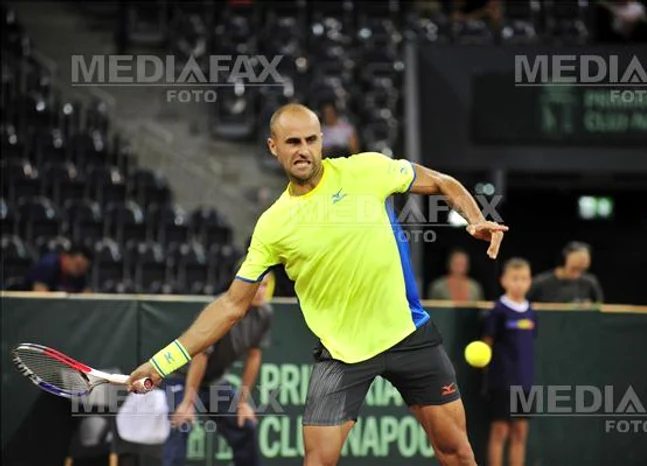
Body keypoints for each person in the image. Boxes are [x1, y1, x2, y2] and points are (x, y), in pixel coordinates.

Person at [128, 103, 508, 466]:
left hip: (410, 335)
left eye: (311, 139)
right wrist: (163, 363)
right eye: (293, 142)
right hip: (341, 356)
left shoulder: (367, 170)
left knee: (457, 453)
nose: (304, 150)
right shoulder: (273, 225)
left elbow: (442, 183)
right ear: (273, 147)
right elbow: (231, 305)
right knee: (318, 460)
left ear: (322, 140)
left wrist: (474, 217)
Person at [164, 272, 273, 466]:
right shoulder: (220, 309)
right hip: (182, 378)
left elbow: (254, 357)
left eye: (265, 285)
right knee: (182, 424)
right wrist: (188, 402)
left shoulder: (264, 314)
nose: (261, 291)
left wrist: (242, 402)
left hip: (215, 382)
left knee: (245, 425)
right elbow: (200, 356)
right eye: (257, 285)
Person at [483, 258, 536, 466]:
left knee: (520, 433)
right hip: (502, 383)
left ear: (530, 281)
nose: (519, 283)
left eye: (524, 278)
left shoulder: (531, 311)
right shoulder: (498, 310)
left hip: (525, 383)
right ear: (504, 281)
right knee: (500, 432)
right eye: (515, 279)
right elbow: (487, 343)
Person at [528, 241, 604, 304]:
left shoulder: (590, 282)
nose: (577, 274)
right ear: (564, 260)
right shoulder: (540, 282)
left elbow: (599, 308)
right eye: (574, 268)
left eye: (582, 269)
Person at [24, 244, 92, 292]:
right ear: (66, 258)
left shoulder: (79, 275)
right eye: (78, 266)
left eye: (84, 269)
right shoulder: (48, 266)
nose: (80, 271)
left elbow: (84, 295)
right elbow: (40, 296)